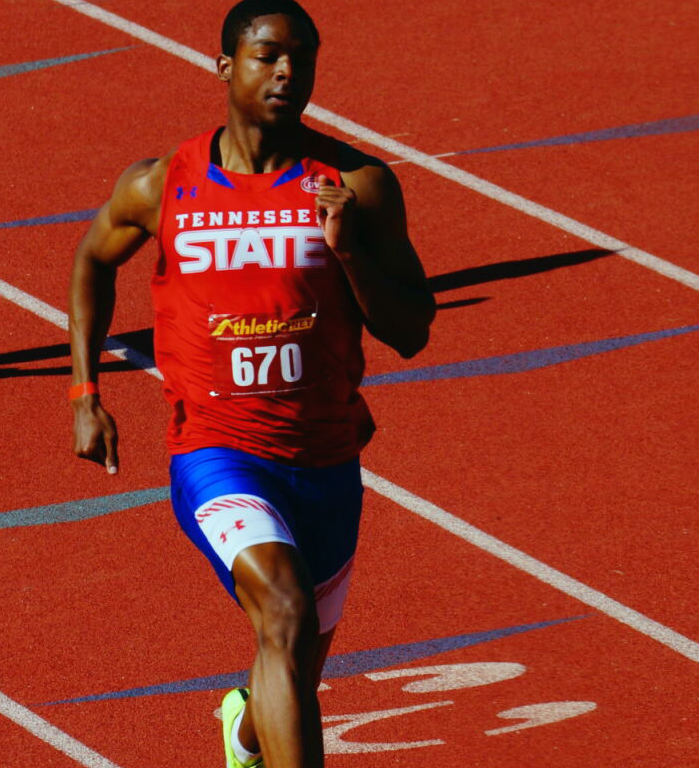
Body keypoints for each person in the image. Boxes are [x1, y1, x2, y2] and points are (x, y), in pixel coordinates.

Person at [67, 1, 436, 765]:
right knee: (285, 611)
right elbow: (92, 261)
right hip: (216, 452)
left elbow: (410, 329)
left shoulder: (357, 186)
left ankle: (243, 727)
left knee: (293, 657)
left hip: (325, 459)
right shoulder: (160, 185)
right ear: (224, 66)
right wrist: (84, 393)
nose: (287, 73)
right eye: (269, 56)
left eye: (301, 58)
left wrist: (347, 256)